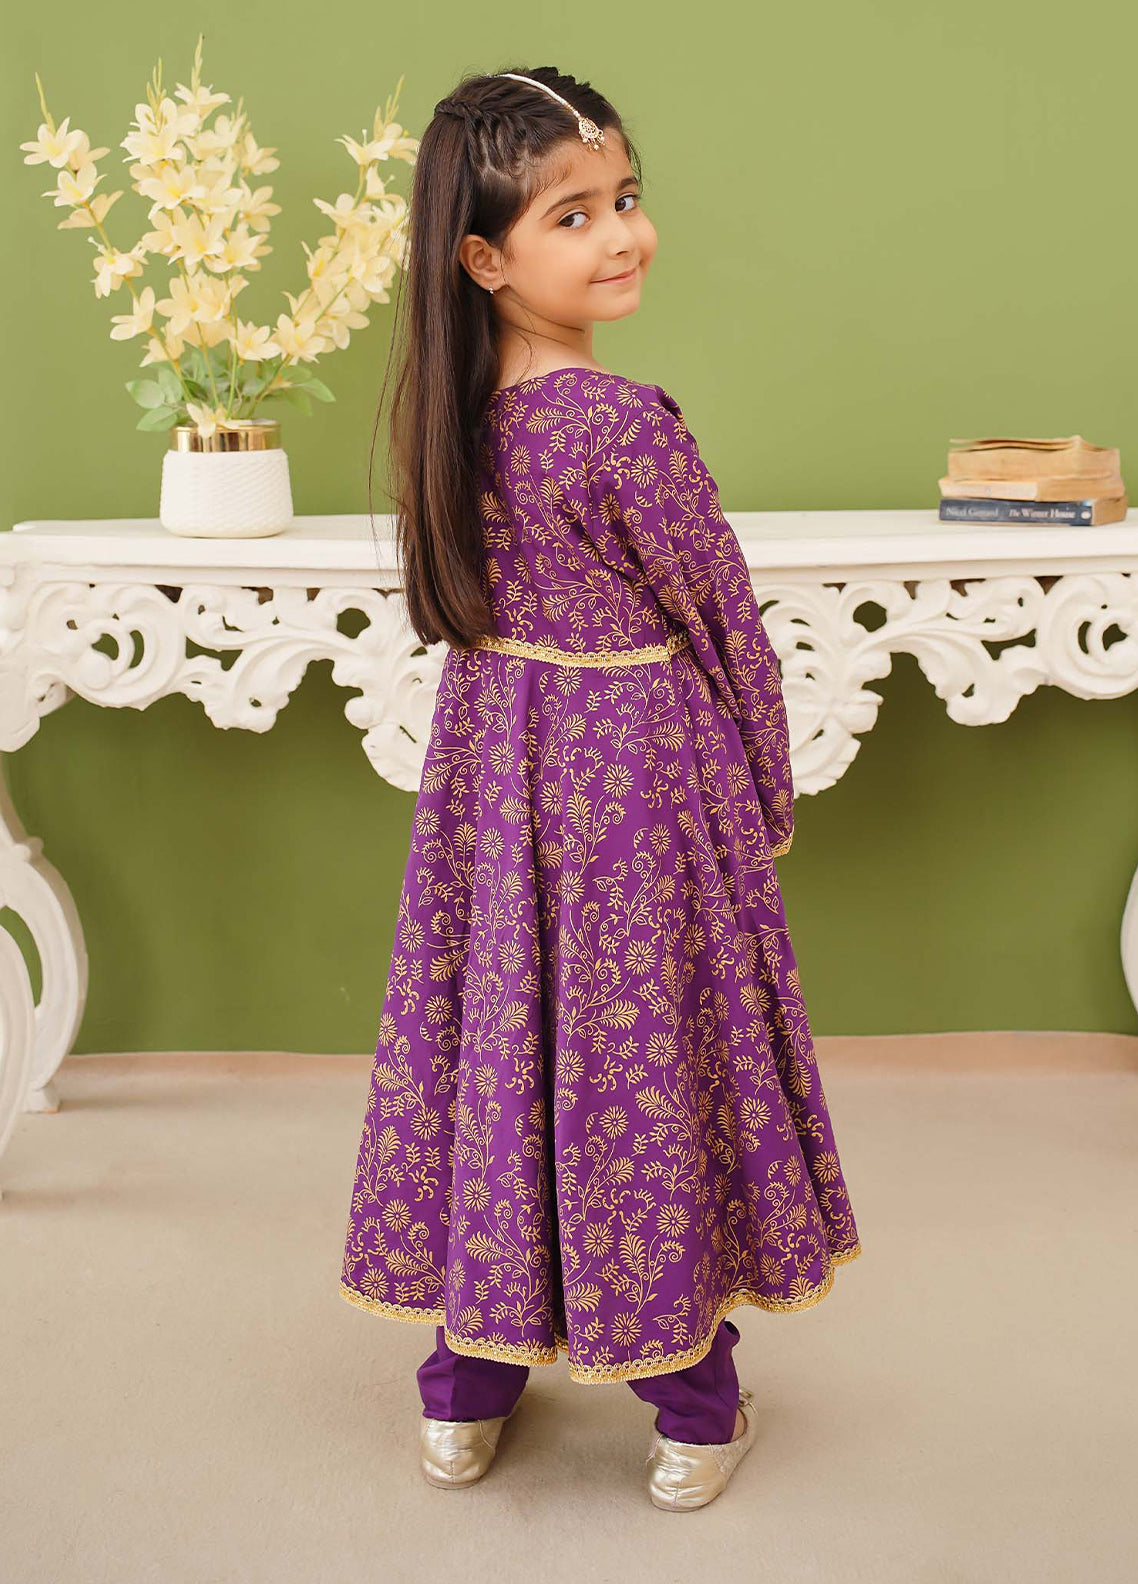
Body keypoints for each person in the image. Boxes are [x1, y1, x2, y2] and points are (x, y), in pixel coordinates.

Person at [339, 65, 862, 1511]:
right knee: (637, 1073)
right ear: (484, 257)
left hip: (491, 784)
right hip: (631, 793)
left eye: (625, 198)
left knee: (501, 1056)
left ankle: (463, 1393)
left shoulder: (444, 416)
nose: (622, 234)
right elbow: (721, 618)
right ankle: (694, 1405)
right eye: (573, 215)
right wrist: (759, 803)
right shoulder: (619, 422)